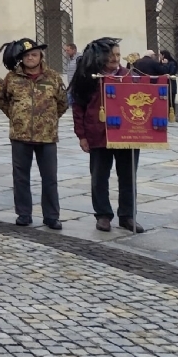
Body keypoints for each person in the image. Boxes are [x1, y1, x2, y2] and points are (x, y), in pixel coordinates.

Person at [70, 37, 143, 233]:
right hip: (98, 135)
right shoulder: (87, 78)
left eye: (118, 55)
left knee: (128, 178)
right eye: (111, 55)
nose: (115, 59)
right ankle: (103, 215)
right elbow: (78, 108)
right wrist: (82, 136)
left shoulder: (130, 76)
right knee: (99, 177)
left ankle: (127, 216)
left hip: (127, 137)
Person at [0, 38, 68, 229]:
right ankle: (23, 213)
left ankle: (52, 216)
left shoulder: (52, 77)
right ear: (21, 58)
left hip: (47, 136)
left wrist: (49, 119)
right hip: (20, 135)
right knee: (21, 177)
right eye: (27, 55)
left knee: (50, 178)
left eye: (34, 54)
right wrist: (17, 117)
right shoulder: (12, 78)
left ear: (40, 56)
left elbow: (62, 102)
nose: (30, 58)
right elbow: (3, 101)